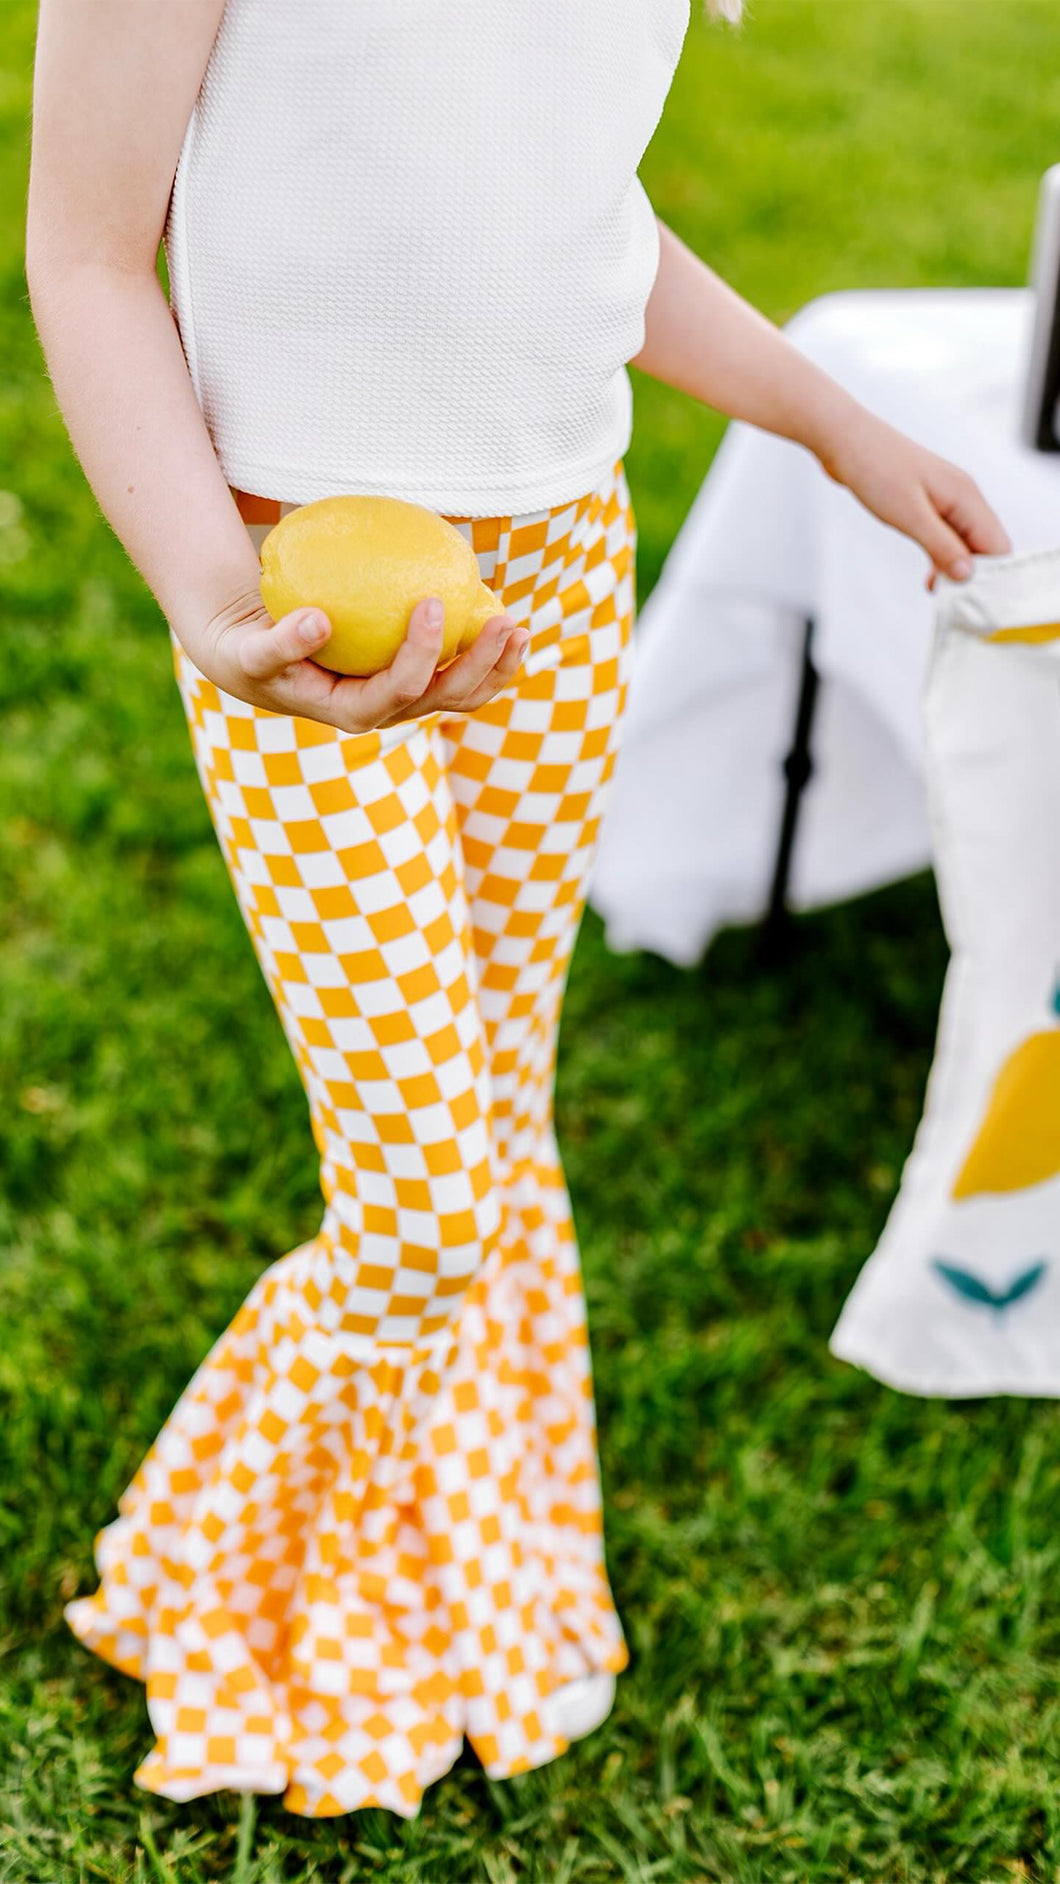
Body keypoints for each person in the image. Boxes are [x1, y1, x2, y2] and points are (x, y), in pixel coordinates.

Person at [25, 0, 1011, 1824]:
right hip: (297, 584)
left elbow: (577, 222)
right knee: (418, 1201)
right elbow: (87, 252)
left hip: (557, 563)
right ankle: (206, 1572)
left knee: (496, 1091)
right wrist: (211, 597)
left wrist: (829, 423)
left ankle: (467, 1582)